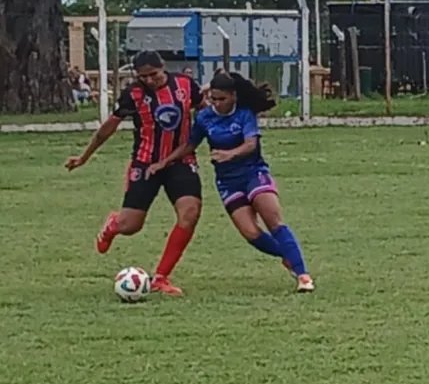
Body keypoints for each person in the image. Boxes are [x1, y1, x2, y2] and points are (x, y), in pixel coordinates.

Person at [149, 72, 315, 293]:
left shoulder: (244, 114)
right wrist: (164, 162)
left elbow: (251, 144)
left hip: (254, 173)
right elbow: (190, 145)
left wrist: (229, 154)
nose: (217, 103)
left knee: (273, 220)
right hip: (228, 182)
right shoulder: (205, 117)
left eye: (222, 99)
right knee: (250, 233)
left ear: (233, 96)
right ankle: (288, 255)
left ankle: (303, 276)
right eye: (213, 99)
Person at [64, 51, 205, 296]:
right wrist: (84, 157)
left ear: (163, 67)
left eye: (154, 74)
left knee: (190, 213)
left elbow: (206, 113)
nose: (149, 80)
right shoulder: (133, 94)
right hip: (145, 163)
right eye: (143, 76)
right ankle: (113, 225)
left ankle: (160, 277)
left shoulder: (185, 84)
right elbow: (107, 128)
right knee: (131, 226)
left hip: (181, 161)